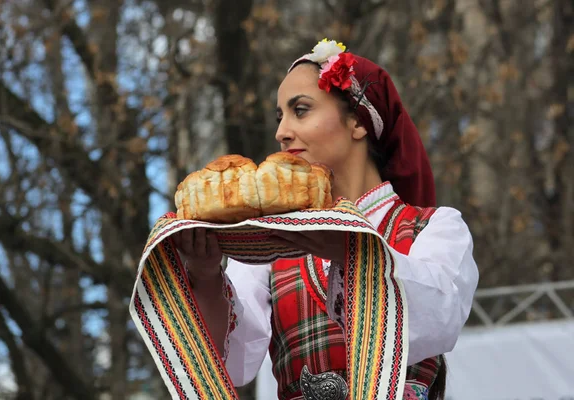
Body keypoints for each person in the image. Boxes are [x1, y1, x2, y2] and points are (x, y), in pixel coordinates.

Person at [172, 39, 479, 400]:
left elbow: (438, 322)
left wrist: (352, 252)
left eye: (300, 110)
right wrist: (206, 276)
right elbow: (234, 363)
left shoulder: (435, 228)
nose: (281, 132)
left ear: (358, 123)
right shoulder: (271, 243)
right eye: (279, 117)